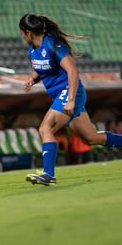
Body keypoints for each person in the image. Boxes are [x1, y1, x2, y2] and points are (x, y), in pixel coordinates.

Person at [19, 13, 122, 186]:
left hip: (69, 92)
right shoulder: (33, 49)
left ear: (27, 32)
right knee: (91, 138)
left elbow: (73, 71)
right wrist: (33, 79)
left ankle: (48, 174)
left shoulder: (53, 44)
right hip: (61, 95)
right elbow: (42, 70)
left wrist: (71, 100)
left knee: (45, 129)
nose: (21, 36)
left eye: (22, 32)